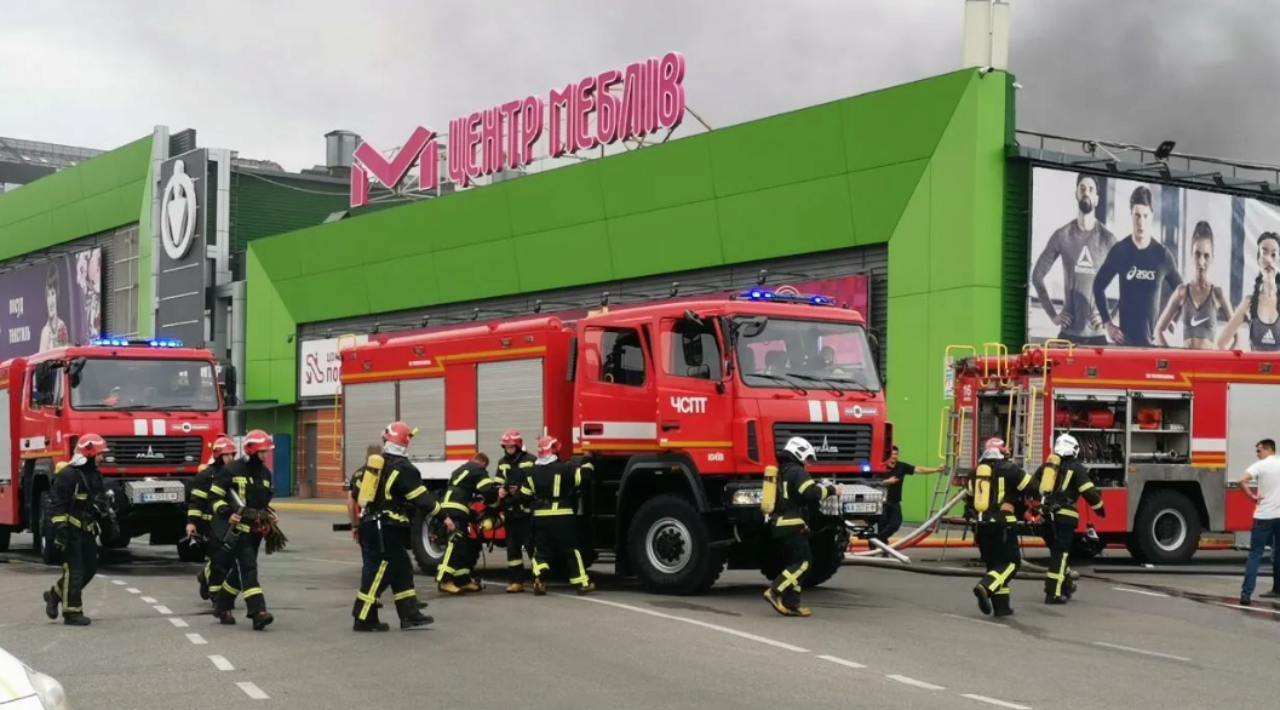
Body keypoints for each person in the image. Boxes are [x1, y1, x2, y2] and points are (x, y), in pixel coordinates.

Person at [351, 421, 438, 631]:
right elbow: (422, 500)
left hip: (371, 524)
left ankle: (409, 614)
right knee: (381, 571)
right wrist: (443, 516)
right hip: (386, 528)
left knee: (402, 568)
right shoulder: (404, 469)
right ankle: (363, 618)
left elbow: (355, 492)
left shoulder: (372, 468)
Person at [1030, 173, 1117, 345]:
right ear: (1076, 194)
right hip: (1068, 335)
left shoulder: (1108, 239)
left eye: (1091, 189)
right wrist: (1053, 315)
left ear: (1097, 199)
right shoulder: (1063, 236)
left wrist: (1110, 319)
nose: (1086, 192)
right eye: (1082, 188)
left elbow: (1130, 280)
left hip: (1097, 336)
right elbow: (1037, 275)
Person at [1091, 185, 1182, 346]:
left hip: (1152, 346)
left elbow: (1183, 292)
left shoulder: (1162, 255)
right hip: (1125, 346)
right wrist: (1108, 324)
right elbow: (1098, 286)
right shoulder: (1120, 251)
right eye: (1137, 215)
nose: (1141, 222)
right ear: (1131, 215)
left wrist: (1172, 322)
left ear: (1152, 216)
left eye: (1145, 216)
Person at [208, 429, 277, 630]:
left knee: (238, 573)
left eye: (267, 451)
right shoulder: (232, 470)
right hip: (237, 529)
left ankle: (222, 606)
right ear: (252, 450)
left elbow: (263, 502)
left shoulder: (265, 474)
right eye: (262, 451)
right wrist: (227, 513)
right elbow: (214, 498)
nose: (265, 455)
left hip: (255, 530)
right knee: (248, 567)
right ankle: (258, 612)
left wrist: (269, 516)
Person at [763, 436, 839, 617]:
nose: (808, 463)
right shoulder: (797, 472)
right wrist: (832, 489)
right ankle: (775, 591)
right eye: (807, 458)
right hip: (790, 525)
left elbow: (792, 501)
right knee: (804, 563)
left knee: (795, 564)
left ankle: (792, 603)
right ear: (799, 453)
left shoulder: (783, 472)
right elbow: (811, 493)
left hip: (782, 524)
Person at [42, 435, 110, 626]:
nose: (102, 458)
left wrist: (107, 522)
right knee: (75, 571)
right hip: (70, 530)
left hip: (87, 529)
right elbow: (56, 505)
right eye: (100, 454)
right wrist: (61, 529)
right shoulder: (68, 475)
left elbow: (99, 500)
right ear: (89, 452)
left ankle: (55, 594)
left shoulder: (94, 475)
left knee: (90, 569)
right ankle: (72, 613)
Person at [966, 437, 1037, 617]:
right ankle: (985, 586)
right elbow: (1033, 487)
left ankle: (1002, 607)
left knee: (995, 565)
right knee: (1012, 564)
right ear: (1003, 451)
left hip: (981, 527)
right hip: (1003, 526)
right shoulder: (1010, 469)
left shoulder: (974, 473)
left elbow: (969, 500)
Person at [1035, 433, 1106, 604]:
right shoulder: (1076, 467)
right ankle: (1053, 593)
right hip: (1065, 517)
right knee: (1061, 554)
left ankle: (1066, 586)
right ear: (1073, 449)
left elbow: (1032, 487)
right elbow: (1088, 491)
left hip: (1045, 517)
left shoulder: (1047, 467)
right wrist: (1099, 508)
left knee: (1057, 554)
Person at [525, 435, 594, 596]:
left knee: (541, 550)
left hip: (541, 516)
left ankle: (540, 577)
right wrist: (588, 461)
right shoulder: (565, 468)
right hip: (563, 516)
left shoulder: (532, 471)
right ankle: (582, 582)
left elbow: (525, 494)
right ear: (554, 449)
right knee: (571, 550)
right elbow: (583, 478)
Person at [1152, 221, 1232, 349]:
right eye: (1197, 254)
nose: (1201, 261)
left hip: (1208, 367)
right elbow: (1158, 331)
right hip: (1186, 367)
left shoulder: (1217, 294)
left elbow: (1237, 336)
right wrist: (1173, 357)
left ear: (1212, 258)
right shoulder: (1181, 292)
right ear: (1191, 255)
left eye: (1206, 256)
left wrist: (1222, 363)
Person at [187, 434, 239, 604]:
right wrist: (192, 523)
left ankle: (204, 577)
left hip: (230, 522)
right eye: (226, 455)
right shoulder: (205, 476)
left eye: (232, 454)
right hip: (210, 523)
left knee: (229, 558)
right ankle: (216, 595)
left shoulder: (236, 475)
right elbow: (196, 501)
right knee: (218, 558)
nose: (230, 458)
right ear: (217, 455)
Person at [435, 452, 496, 595]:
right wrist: (497, 496)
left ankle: (462, 579)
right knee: (455, 543)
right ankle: (445, 580)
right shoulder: (478, 470)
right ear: (482, 463)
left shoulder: (461, 469)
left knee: (468, 544)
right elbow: (488, 490)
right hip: (456, 509)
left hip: (451, 507)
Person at [1216, 232, 1280, 352]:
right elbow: (1221, 344)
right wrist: (1238, 365)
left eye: (1273, 254)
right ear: (1258, 260)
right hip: (1254, 370)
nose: (1268, 260)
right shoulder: (1249, 303)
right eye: (1264, 253)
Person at [1239, 438, 1280, 606]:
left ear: (1269, 449)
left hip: (1263, 517)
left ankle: (1246, 594)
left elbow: (1241, 480)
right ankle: (1277, 589)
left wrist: (1251, 497)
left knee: (1255, 554)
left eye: (1259, 450)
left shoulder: (1261, 465)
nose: (1257, 454)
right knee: (1278, 554)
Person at [494, 429, 537, 593]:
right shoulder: (502, 462)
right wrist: (500, 491)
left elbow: (536, 483)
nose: (509, 450)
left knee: (532, 547)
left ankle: (538, 579)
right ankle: (516, 581)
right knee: (512, 547)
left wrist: (520, 490)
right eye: (506, 447)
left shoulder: (531, 460)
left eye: (511, 447)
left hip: (527, 512)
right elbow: (497, 481)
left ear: (518, 446)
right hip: (511, 512)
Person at [875, 446, 943, 545]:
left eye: (896, 454)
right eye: (892, 454)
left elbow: (919, 469)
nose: (894, 456)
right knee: (882, 525)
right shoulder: (880, 467)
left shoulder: (901, 466)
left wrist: (935, 470)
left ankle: (878, 539)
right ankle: (883, 547)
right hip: (882, 502)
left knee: (896, 524)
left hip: (895, 501)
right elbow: (874, 482)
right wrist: (887, 481)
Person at [345, 444, 382, 543]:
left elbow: (350, 503)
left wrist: (355, 526)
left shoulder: (358, 474)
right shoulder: (387, 473)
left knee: (369, 556)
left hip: (366, 522)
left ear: (366, 455)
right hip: (385, 524)